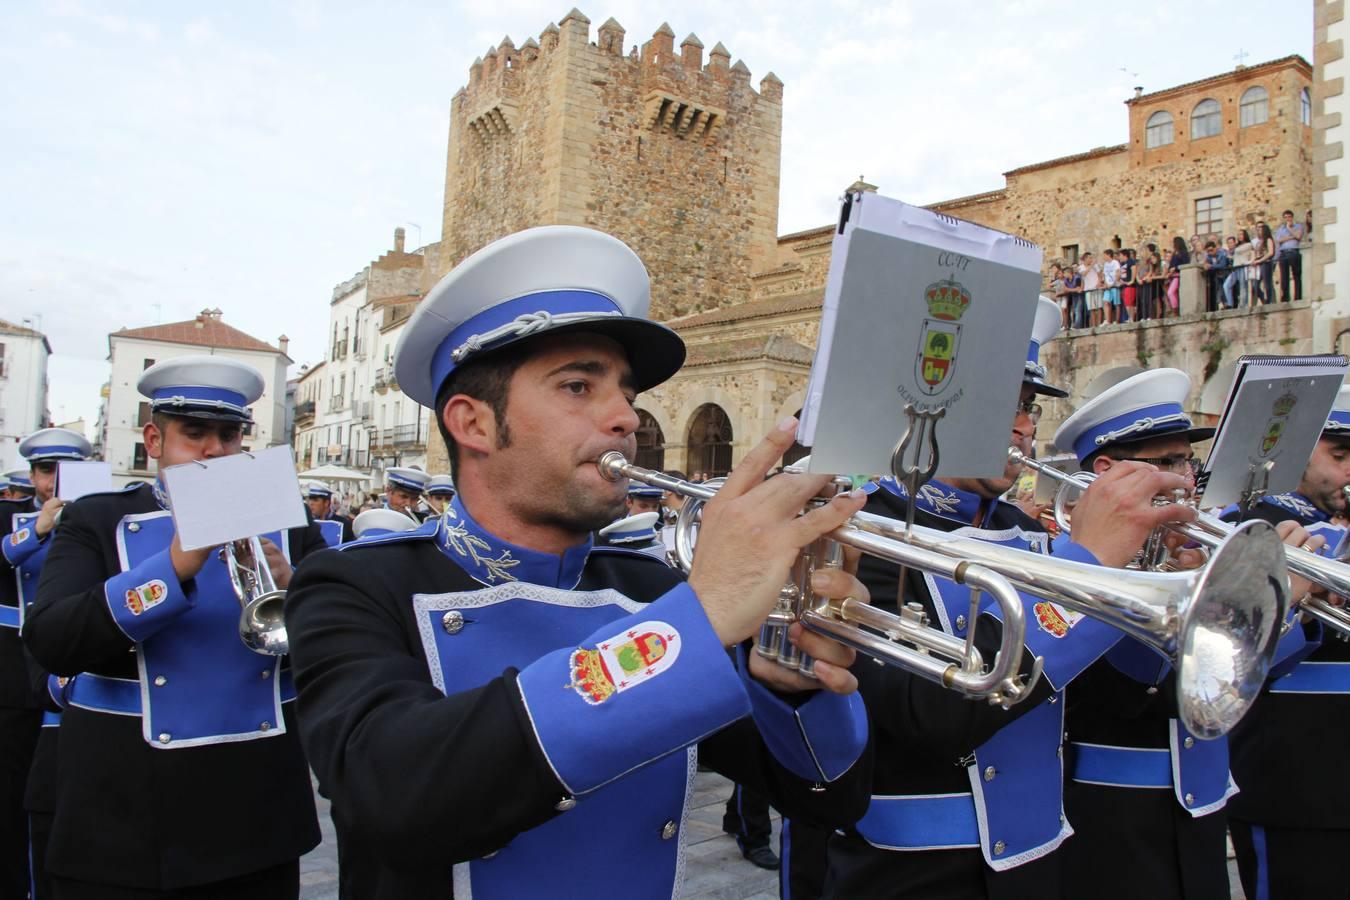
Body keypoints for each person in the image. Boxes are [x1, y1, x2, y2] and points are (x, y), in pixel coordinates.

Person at [284, 226, 873, 898]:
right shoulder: (353, 585)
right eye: (577, 387)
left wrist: (791, 684)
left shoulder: (653, 587)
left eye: (624, 392)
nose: (626, 416)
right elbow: (394, 795)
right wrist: (700, 617)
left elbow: (827, 798)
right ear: (473, 423)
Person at [817, 298, 1197, 899]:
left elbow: (1113, 703)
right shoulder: (859, 527)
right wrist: (1089, 567)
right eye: (1002, 401)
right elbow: (930, 717)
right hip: (914, 871)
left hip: (1044, 854)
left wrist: (1156, 592)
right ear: (929, 404)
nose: (1023, 425)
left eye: (1026, 406)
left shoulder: (1030, 528)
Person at [24, 356, 325, 898]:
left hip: (255, 810)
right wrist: (173, 568)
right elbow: (51, 641)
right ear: (153, 440)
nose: (214, 450)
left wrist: (300, 587)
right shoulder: (96, 519)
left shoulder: (289, 527)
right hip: (125, 812)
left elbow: (336, 653)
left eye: (229, 435)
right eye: (194, 434)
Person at [1053, 368, 1310, 899]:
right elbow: (1128, 695)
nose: (1188, 478)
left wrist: (1275, 604)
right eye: (1167, 463)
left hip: (1203, 800)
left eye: (1186, 460)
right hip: (1111, 806)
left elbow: (1240, 679)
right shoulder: (1069, 555)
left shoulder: (1190, 547)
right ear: (1108, 470)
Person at [1223, 384, 1350, 898]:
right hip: (1297, 784)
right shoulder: (1250, 527)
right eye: (1340, 456)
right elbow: (1232, 659)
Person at [0, 428, 92, 899]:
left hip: (71, 670)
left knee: (63, 794)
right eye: (44, 470)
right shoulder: (7, 516)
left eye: (64, 471)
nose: (53, 481)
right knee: (12, 790)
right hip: (14, 674)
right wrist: (37, 530)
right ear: (32, 476)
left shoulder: (102, 520)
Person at [303, 481, 355, 546]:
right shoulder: (306, 523)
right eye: (310, 500)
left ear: (326, 503)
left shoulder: (344, 523)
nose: (311, 503)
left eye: (315, 500)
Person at [1274, 208, 1305, 302]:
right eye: (1285, 217)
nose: (1288, 219)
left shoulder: (1298, 226)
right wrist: (1291, 237)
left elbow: (1298, 236)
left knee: (1297, 275)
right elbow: (1279, 240)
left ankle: (1298, 296)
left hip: (1294, 252)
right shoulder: (1280, 229)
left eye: (1289, 217)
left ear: (1292, 217)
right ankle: (1285, 297)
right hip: (1283, 253)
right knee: (1284, 277)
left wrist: (1289, 229)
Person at [1227, 230, 1253, 308]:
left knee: (1243, 286)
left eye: (1241, 234)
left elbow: (1238, 251)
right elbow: (1235, 256)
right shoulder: (1238, 246)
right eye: (1238, 235)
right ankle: (1230, 304)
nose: (1239, 236)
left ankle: (1243, 304)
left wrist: (1233, 249)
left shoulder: (1248, 244)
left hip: (1242, 267)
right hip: (1236, 267)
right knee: (1227, 285)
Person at [1253, 222, 1277, 305]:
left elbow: (1270, 252)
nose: (1258, 231)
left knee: (1267, 284)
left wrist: (1260, 260)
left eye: (1260, 230)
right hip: (1260, 264)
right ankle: (1264, 299)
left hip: (1266, 263)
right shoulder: (1260, 241)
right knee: (1255, 285)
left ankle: (1269, 301)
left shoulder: (1268, 239)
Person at [1165, 237, 1188, 316]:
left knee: (1170, 292)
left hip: (1178, 276)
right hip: (1173, 276)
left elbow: (1185, 264)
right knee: (1173, 294)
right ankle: (1175, 310)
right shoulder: (1175, 254)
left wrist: (1176, 268)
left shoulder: (1184, 253)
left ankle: (1176, 311)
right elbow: (1171, 265)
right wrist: (1169, 271)